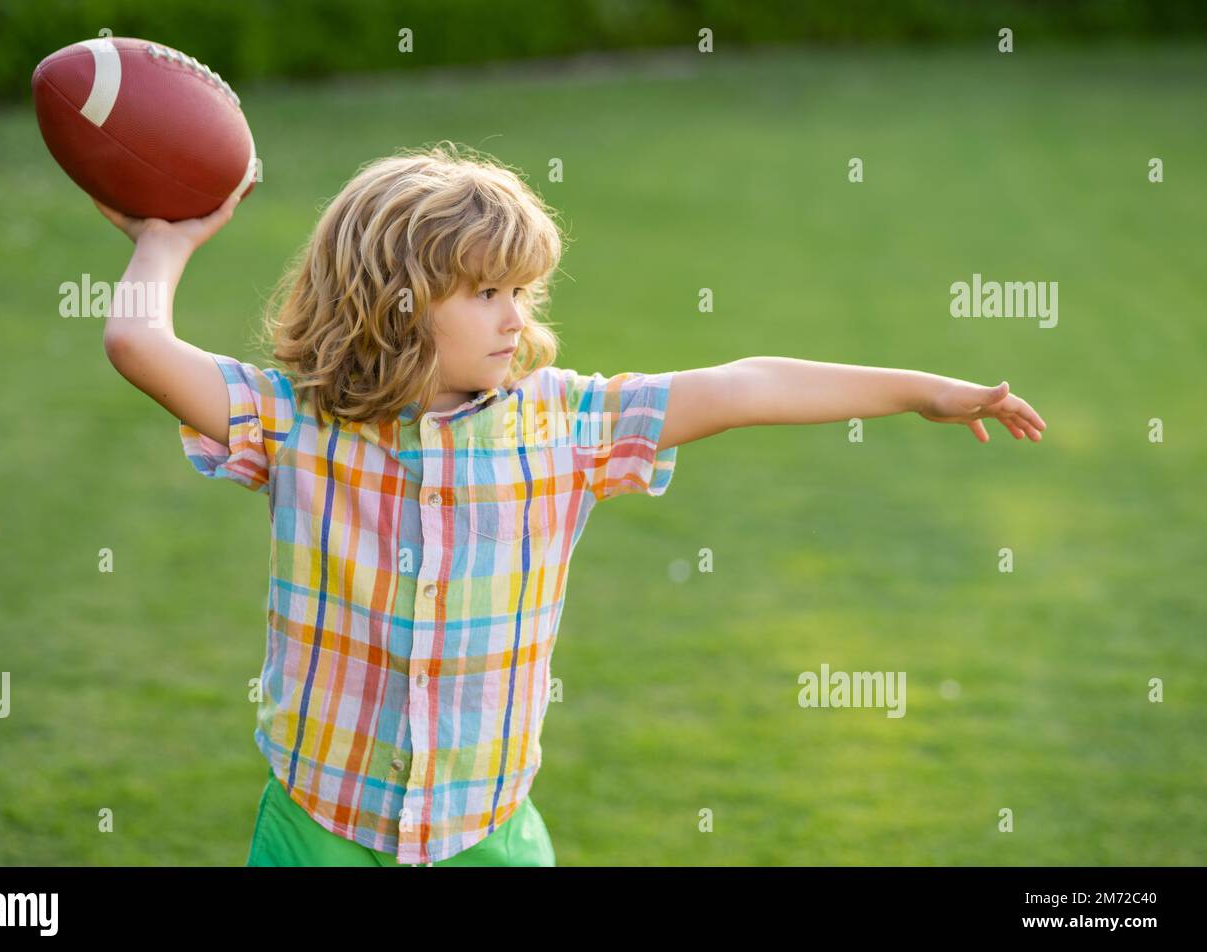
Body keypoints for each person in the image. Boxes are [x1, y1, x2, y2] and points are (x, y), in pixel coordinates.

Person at [95, 141, 1048, 867]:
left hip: (486, 828)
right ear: (394, 300)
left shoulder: (567, 422)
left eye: (524, 289)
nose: (518, 316)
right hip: (318, 820)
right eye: (486, 292)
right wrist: (164, 240)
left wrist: (923, 390)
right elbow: (138, 345)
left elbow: (745, 383)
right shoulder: (301, 422)